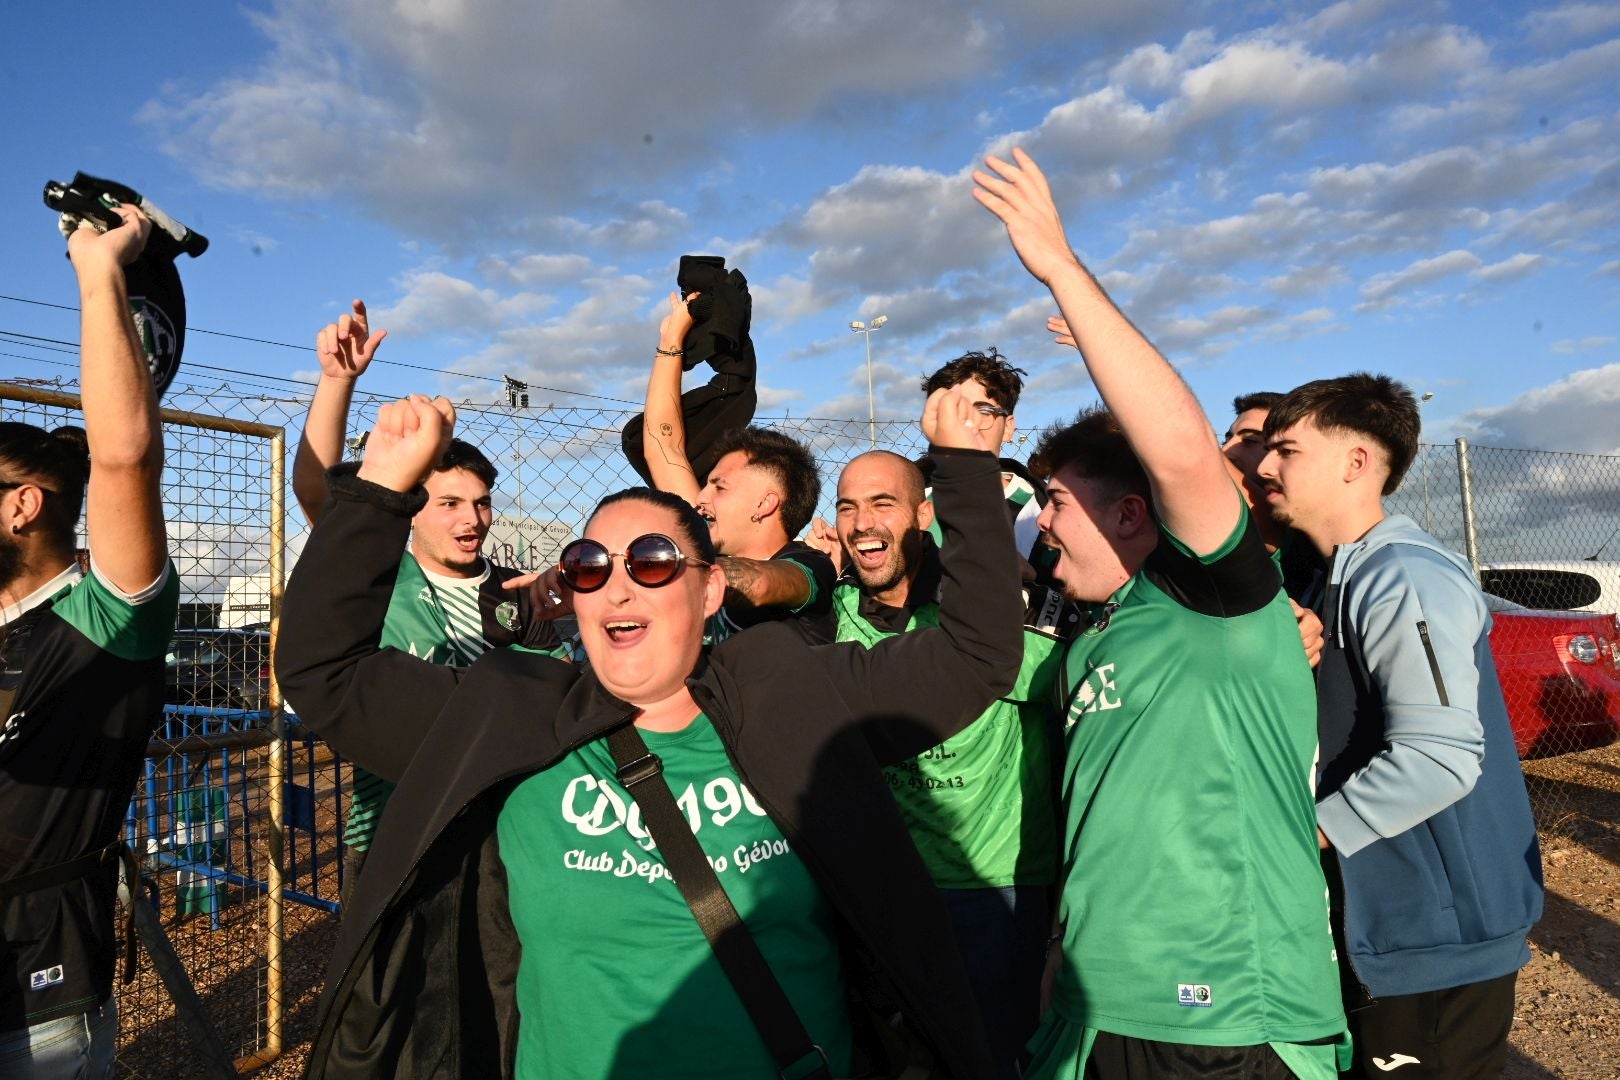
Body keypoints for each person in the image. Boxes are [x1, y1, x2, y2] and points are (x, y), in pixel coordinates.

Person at [276, 388, 1023, 1078]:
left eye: (655, 561)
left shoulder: (790, 691)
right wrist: (378, 493)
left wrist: (962, 468)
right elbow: (325, 672)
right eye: (589, 565)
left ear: (709, 591)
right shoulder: (513, 715)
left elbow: (976, 655)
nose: (620, 582)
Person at [974, 148, 1348, 1077]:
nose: (1044, 524)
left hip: (1224, 1022)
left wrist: (1060, 262)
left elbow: (1183, 455)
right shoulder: (1089, 636)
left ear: (1131, 514)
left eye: (1057, 501)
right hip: (1095, 1011)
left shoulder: (1214, 596)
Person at [1257, 374, 1542, 1078]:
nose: (1264, 466)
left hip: (1434, 941)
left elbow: (1438, 760)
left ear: (1356, 462)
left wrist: (1294, 839)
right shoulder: (1334, 578)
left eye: (1286, 450)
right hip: (1387, 924)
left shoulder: (1402, 576)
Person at [289, 301, 558, 906]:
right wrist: (338, 382)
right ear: (410, 509)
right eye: (449, 503)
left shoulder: (522, 592)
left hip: (506, 828)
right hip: (394, 834)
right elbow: (319, 490)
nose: (473, 519)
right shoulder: (382, 581)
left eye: (481, 502)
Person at [0, 205, 178, 1074]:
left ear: (22, 504)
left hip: (34, 1004)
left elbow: (124, 458)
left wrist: (101, 270)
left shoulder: (108, 619)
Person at [829, 448, 1063, 1079]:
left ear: (924, 514)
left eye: (883, 503)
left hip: (990, 885)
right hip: (883, 887)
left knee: (995, 1060)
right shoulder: (836, 611)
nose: (861, 522)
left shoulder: (990, 609)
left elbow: (1083, 674)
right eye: (847, 505)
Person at [641, 291, 836, 641]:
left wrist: (642, 570)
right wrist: (671, 340)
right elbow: (663, 444)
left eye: (720, 486)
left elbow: (761, 584)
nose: (700, 497)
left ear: (765, 504)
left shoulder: (810, 568)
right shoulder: (708, 548)